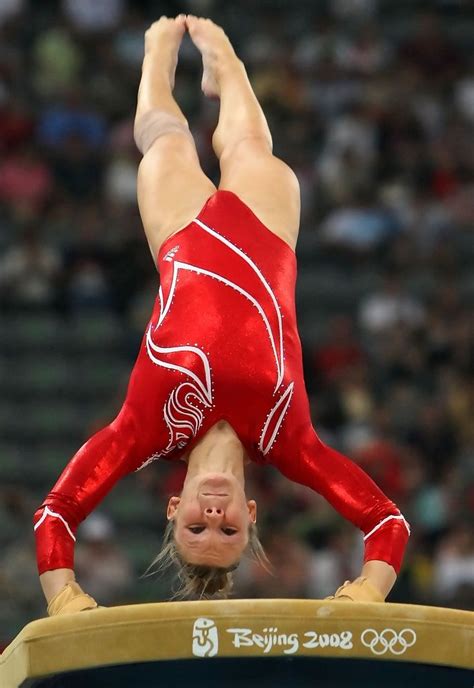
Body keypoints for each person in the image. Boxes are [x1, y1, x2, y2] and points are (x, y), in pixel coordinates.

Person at [34, 15, 410, 614]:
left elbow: (57, 512)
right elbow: (387, 524)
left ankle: (158, 53)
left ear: (172, 509)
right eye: (229, 532)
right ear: (251, 512)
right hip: (266, 234)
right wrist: (367, 590)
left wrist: (63, 596)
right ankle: (227, 65)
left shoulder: (145, 430)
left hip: (181, 233)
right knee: (248, 146)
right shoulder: (287, 441)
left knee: (168, 142)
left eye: (196, 530)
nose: (214, 518)